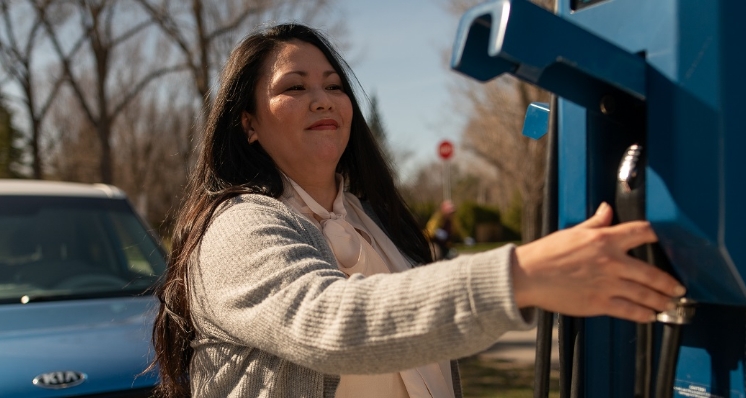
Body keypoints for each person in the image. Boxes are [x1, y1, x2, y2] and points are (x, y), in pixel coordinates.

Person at [150, 23, 685, 398]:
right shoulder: (238, 224)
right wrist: (523, 276)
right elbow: (333, 325)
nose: (322, 99)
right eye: (295, 87)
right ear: (247, 124)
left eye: (334, 86)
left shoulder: (374, 219)